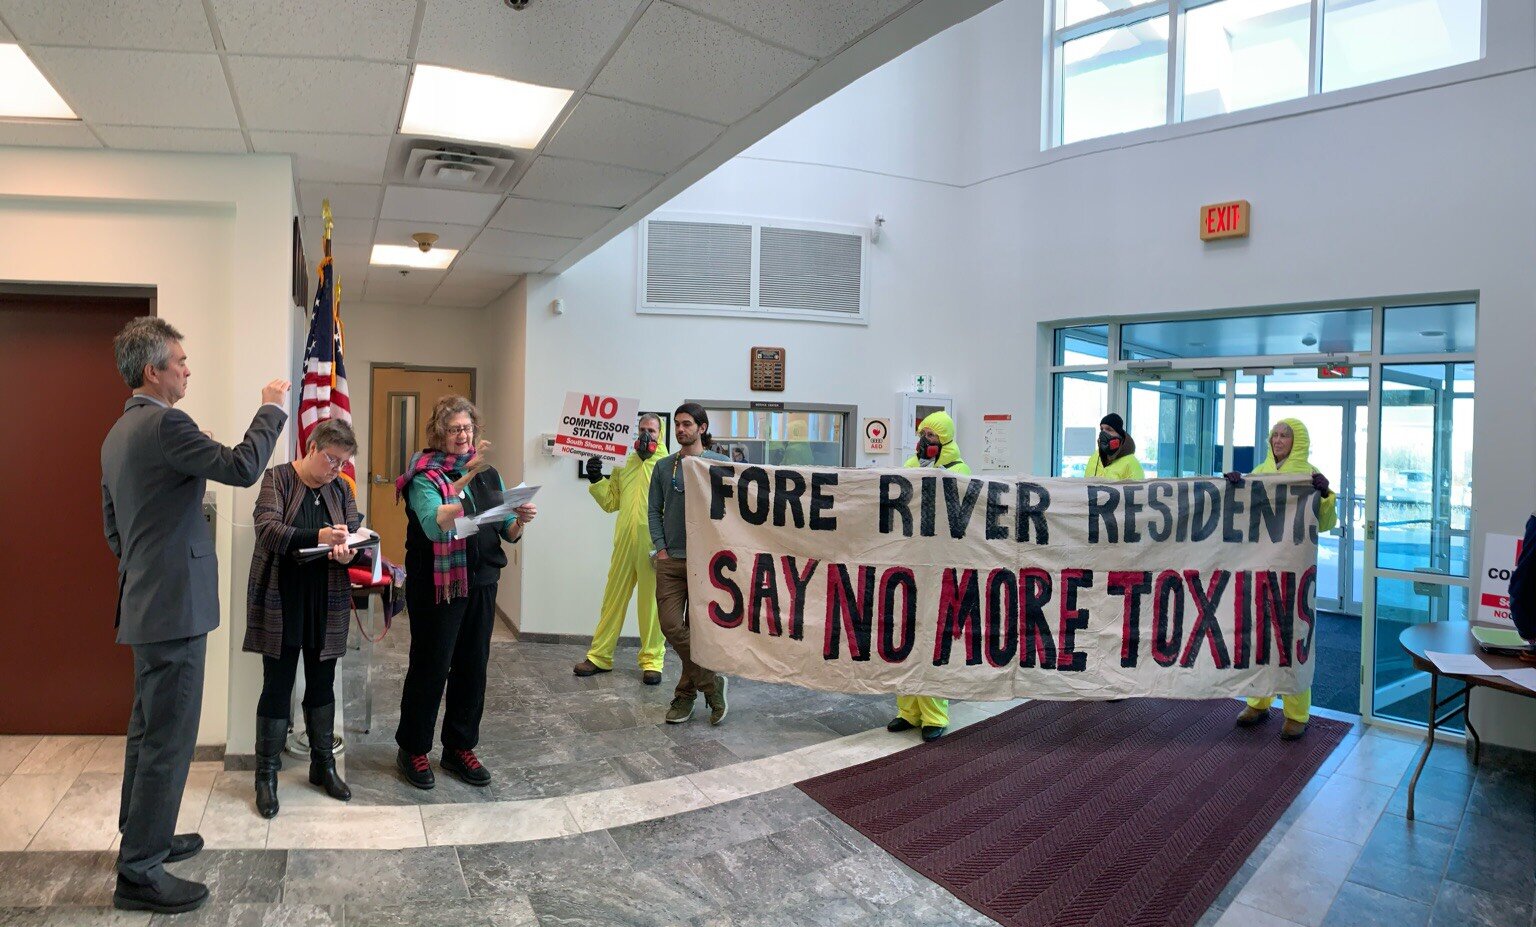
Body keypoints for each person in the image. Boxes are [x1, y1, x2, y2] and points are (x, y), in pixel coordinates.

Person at [102, 317, 288, 914]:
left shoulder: (120, 432)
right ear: (153, 370)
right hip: (175, 608)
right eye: (179, 361)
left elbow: (115, 532)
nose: (188, 368)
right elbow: (241, 468)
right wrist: (271, 409)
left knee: (147, 732)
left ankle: (142, 840)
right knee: (168, 741)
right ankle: (139, 873)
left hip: (145, 602)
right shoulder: (166, 423)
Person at [394, 396, 536, 789]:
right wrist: (464, 481)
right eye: (455, 428)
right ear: (440, 433)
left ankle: (459, 747)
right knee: (431, 666)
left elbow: (506, 528)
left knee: (473, 667)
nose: (463, 435)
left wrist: (520, 519)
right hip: (438, 587)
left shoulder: (490, 475)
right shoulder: (423, 476)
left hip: (482, 581)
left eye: (468, 428)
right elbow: (434, 524)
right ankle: (413, 748)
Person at [244, 419, 363, 818]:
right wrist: (318, 538)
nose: (336, 469)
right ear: (311, 448)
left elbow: (355, 534)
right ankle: (266, 774)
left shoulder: (340, 489)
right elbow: (268, 530)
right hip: (282, 598)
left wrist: (350, 552)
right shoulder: (277, 479)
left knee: (322, 682)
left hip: (325, 600)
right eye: (331, 460)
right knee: (277, 685)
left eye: (343, 463)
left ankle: (322, 765)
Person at [1226, 418, 1337, 740]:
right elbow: (1243, 513)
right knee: (1259, 636)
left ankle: (1296, 713)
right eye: (1274, 434)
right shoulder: (1258, 472)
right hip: (1261, 566)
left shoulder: (1309, 476)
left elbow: (1326, 522)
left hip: (1292, 570)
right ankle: (1258, 702)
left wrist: (1325, 495)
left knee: (1292, 639)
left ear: (1297, 440)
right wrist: (1232, 488)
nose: (1277, 440)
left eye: (1284, 435)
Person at [890, 410, 970, 741]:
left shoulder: (960, 471)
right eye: (922, 435)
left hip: (939, 564)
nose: (924, 442)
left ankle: (935, 715)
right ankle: (907, 711)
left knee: (932, 640)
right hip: (908, 560)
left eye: (931, 437)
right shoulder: (909, 467)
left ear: (945, 440)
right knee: (903, 637)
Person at [650, 402, 731, 726]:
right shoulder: (663, 466)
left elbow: (736, 509)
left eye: (687, 424)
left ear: (702, 427)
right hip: (671, 561)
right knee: (671, 625)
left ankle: (684, 697)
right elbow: (653, 510)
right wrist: (661, 549)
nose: (681, 429)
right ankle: (712, 684)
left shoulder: (721, 465)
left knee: (698, 632)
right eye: (678, 425)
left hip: (706, 562)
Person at [573, 414, 668, 684]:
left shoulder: (668, 465)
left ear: (660, 434)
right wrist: (596, 480)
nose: (646, 435)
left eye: (651, 430)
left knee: (651, 606)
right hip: (625, 543)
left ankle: (652, 661)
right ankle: (599, 656)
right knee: (613, 600)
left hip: (654, 546)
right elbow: (611, 502)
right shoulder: (623, 462)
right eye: (642, 429)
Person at [1085, 413, 1144, 480]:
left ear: (1119, 435)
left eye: (1109, 429)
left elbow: (1139, 489)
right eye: (1102, 429)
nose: (1103, 433)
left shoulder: (1132, 463)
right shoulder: (1095, 457)